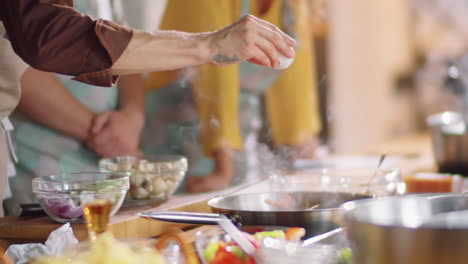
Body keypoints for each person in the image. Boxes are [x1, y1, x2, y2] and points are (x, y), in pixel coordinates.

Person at [0, 1, 296, 215]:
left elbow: (124, 47)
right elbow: (45, 40)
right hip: (44, 158)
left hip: (109, 157)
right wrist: (206, 46)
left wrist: (131, 116)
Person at [143, 0, 321, 193]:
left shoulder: (294, 5)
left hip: (238, 148)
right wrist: (224, 171)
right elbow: (217, 76)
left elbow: (296, 84)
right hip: (178, 146)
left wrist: (308, 158)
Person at [4, 0, 145, 214]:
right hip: (44, 169)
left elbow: (129, 54)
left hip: (108, 171)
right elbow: (14, 70)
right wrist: (103, 134)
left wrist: (133, 117)